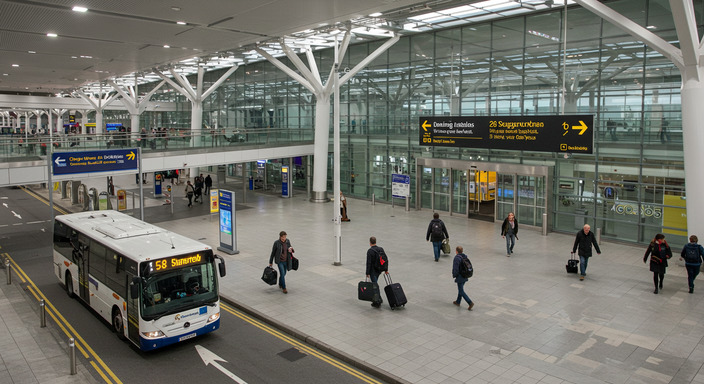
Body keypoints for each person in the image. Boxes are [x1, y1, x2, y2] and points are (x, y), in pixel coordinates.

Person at [366, 236, 388, 308]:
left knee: (374, 285)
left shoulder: (370, 251)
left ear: (370, 243)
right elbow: (385, 259)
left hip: (373, 271)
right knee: (375, 284)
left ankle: (377, 301)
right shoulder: (380, 249)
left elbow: (368, 263)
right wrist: (386, 270)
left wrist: (367, 273)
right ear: (375, 242)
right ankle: (379, 298)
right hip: (379, 270)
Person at [452, 246, 474, 311]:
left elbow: (455, 268)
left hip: (460, 276)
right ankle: (458, 301)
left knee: (461, 291)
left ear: (456, 251)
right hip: (465, 275)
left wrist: (454, 275)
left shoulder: (457, 258)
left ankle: (470, 302)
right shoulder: (464, 256)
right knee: (460, 288)